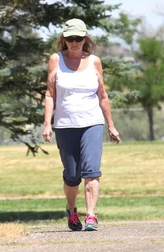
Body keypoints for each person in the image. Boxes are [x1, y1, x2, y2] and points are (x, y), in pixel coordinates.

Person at [43, 18, 120, 232]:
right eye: (70, 38)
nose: (74, 42)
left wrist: (110, 125)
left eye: (78, 38)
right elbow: (50, 94)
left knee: (92, 170)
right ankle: (72, 210)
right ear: (64, 39)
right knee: (72, 174)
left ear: (85, 39)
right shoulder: (55, 60)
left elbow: (103, 96)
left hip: (92, 123)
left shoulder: (94, 61)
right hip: (65, 125)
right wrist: (47, 124)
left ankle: (91, 216)